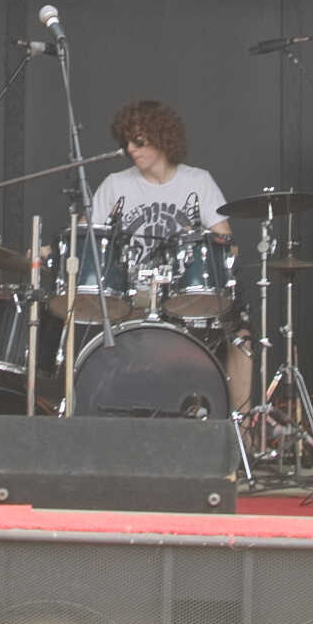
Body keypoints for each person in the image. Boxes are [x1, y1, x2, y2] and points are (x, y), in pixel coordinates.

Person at [89, 99, 251, 406]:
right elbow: (86, 238)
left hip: (186, 295)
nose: (131, 149)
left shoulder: (198, 181)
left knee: (242, 337)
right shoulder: (115, 185)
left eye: (138, 141)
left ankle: (239, 426)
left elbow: (227, 242)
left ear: (162, 137)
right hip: (134, 297)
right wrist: (48, 249)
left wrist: (202, 242)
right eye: (126, 143)